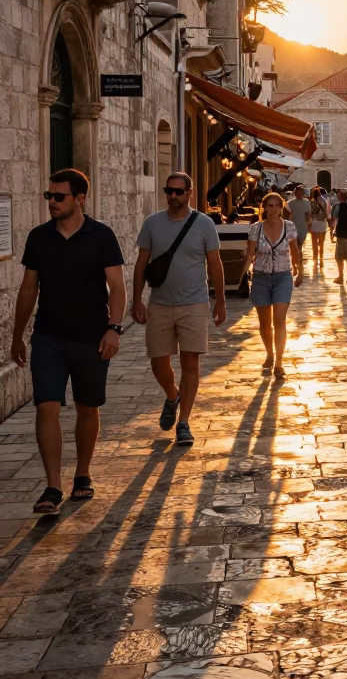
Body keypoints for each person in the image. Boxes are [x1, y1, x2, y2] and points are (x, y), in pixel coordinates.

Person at [10, 169, 125, 514]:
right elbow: (29, 288)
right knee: (47, 406)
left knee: (87, 407)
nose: (52, 203)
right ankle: (52, 486)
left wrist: (114, 329)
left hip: (92, 337)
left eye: (58, 196)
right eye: (49, 196)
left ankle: (83, 473)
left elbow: (117, 287)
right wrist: (18, 334)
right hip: (49, 336)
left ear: (79, 198)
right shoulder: (39, 238)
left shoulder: (101, 236)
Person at [133, 172, 226, 446]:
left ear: (189, 193)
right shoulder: (152, 224)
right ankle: (172, 396)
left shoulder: (204, 225)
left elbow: (215, 263)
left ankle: (184, 421)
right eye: (169, 191)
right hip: (160, 304)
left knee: (190, 362)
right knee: (158, 362)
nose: (173, 196)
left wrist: (220, 299)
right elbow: (141, 264)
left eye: (178, 191)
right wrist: (136, 299)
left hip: (194, 303)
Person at [241, 192, 301, 378]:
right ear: (264, 208)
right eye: (269, 206)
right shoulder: (255, 228)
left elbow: (295, 251)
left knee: (280, 320)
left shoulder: (289, 227)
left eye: (276, 205)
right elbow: (251, 253)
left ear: (281, 207)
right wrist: (242, 273)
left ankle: (279, 362)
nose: (273, 209)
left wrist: (300, 269)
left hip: (283, 276)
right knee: (265, 323)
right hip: (261, 277)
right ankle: (269, 353)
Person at [286, 186, 312, 271]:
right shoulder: (290, 203)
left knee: (299, 246)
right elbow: (287, 215)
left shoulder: (306, 203)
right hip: (293, 228)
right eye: (296, 193)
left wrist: (309, 225)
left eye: (300, 193)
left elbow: (308, 215)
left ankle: (299, 260)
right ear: (294, 194)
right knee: (295, 247)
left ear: (302, 193)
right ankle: (295, 264)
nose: (298, 194)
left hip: (302, 227)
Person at [308, 186, 329, 272]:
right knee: (321, 243)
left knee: (314, 244)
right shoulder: (324, 201)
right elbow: (328, 212)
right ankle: (321, 259)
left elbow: (310, 214)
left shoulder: (311, 202)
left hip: (314, 223)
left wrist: (308, 224)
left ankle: (315, 260)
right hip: (322, 223)